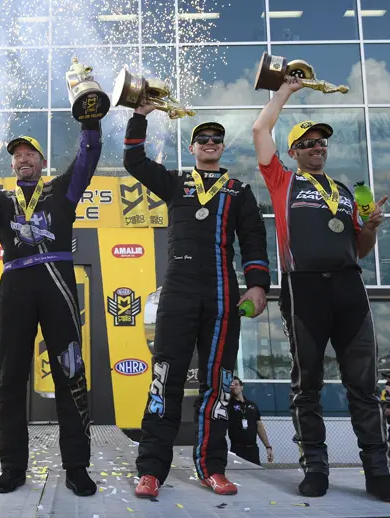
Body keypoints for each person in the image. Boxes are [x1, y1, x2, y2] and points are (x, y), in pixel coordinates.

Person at [251, 76, 390, 503]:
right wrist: (285, 91)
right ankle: (314, 468)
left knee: (364, 386)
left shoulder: (343, 192)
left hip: (349, 288)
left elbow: (359, 247)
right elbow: (260, 131)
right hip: (303, 290)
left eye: (323, 144)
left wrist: (371, 227)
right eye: (310, 144)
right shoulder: (282, 182)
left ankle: (378, 472)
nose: (318, 148)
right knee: (308, 385)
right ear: (294, 152)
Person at [124, 101, 270, 498]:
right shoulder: (175, 182)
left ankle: (211, 467)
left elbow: (254, 239)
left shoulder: (239, 191)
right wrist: (140, 114)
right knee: (165, 379)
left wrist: (257, 285)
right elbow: (134, 160)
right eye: (202, 139)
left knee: (218, 386)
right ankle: (151, 470)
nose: (209, 143)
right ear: (192, 148)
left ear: (222, 148)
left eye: (216, 139)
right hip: (179, 290)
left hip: (223, 295)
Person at [0, 114, 102, 496]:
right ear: (12, 164)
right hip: (15, 286)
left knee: (71, 373)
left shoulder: (62, 191)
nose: (22, 159)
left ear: (42, 161)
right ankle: (13, 467)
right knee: (11, 379)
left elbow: (87, 158)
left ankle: (77, 467)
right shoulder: (2, 201)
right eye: (16, 155)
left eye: (29, 153)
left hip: (58, 286)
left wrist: (90, 121)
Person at [226, 377, 273, 466]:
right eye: (231, 385)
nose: (234, 387)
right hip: (237, 449)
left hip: (252, 449)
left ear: (241, 387)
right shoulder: (228, 405)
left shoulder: (252, 405)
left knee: (256, 474)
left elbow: (259, 426)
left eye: (236, 384)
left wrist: (268, 447)